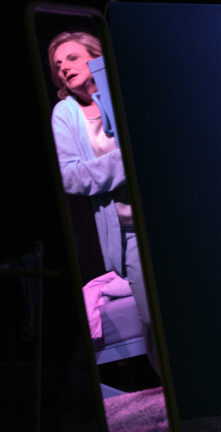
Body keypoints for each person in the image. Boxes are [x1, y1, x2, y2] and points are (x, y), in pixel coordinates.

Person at [48, 31, 158, 375]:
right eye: (58, 65)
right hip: (130, 233)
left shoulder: (127, 91)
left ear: (97, 57)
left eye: (72, 58)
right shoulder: (66, 113)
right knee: (153, 319)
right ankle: (177, 390)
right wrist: (128, 160)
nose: (63, 68)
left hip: (169, 217)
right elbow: (69, 176)